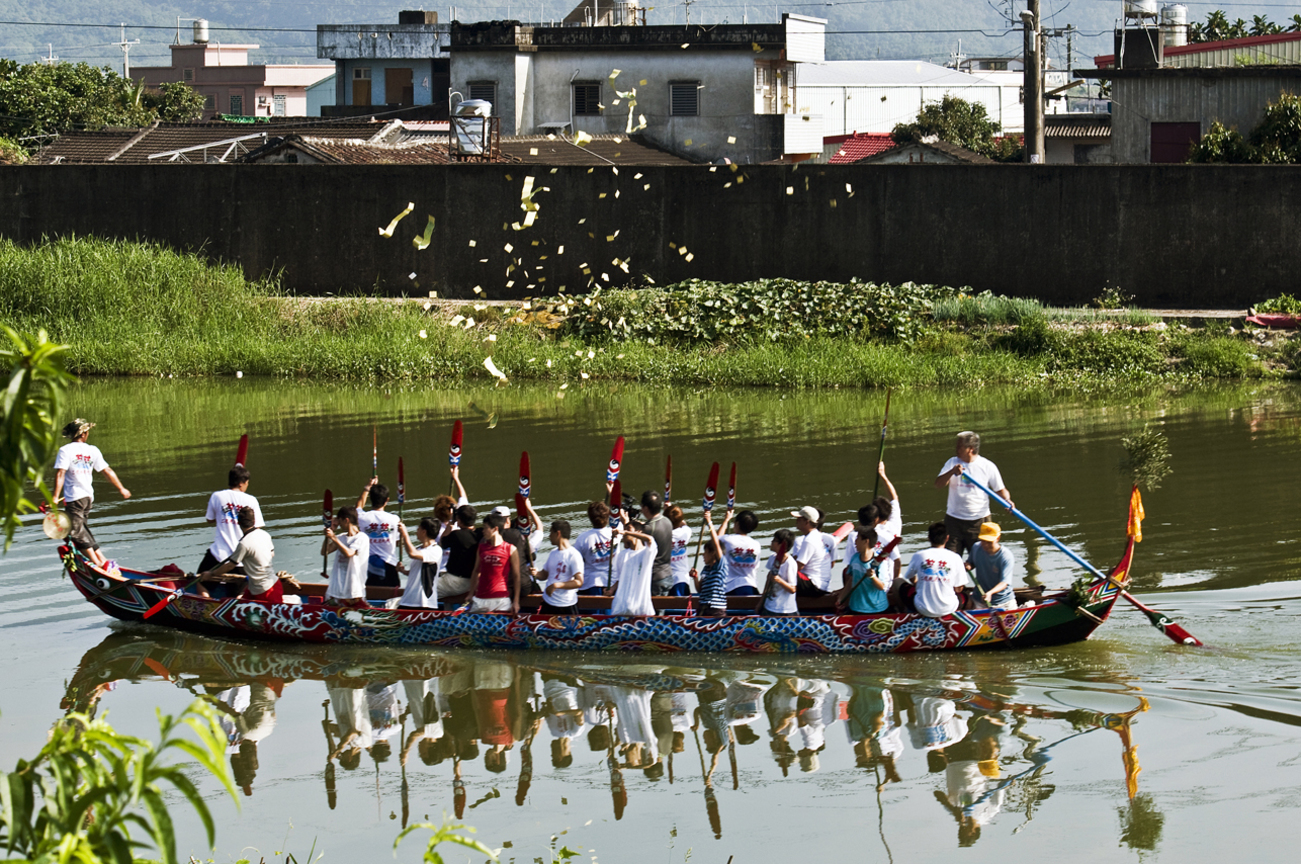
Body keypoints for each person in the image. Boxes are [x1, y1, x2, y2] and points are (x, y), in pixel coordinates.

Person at [52, 419, 130, 567]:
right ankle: (103, 560)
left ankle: (98, 565)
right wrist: (121, 488)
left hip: (75, 498)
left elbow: (60, 474)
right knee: (82, 530)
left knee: (75, 531)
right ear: (84, 434)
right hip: (88, 498)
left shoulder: (65, 451)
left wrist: (55, 496)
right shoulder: (92, 450)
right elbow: (107, 471)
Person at [935, 431, 1014, 556]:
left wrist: (1007, 501)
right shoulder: (951, 462)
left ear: (970, 449)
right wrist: (951, 472)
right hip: (954, 521)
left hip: (979, 521)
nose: (956, 449)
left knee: (981, 560)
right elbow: (938, 484)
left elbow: (1000, 490)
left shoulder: (987, 466)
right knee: (950, 560)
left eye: (960, 446)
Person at [197, 506, 281, 602]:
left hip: (264, 590)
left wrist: (211, 574)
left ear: (238, 522)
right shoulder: (265, 534)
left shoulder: (244, 544)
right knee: (239, 599)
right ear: (254, 521)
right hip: (269, 584)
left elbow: (230, 566)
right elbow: (271, 554)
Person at [199, 464, 264, 577]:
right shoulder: (251, 500)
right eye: (247, 483)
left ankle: (202, 595)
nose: (247, 486)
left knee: (201, 581)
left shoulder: (217, 496)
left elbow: (210, 519)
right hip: (242, 558)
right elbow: (256, 527)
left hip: (218, 555)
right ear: (241, 483)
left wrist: (225, 517)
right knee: (240, 590)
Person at [903, 522, 967, 618]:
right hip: (948, 608)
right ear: (947, 538)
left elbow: (909, 576)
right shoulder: (955, 557)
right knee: (966, 597)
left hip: (922, 608)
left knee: (897, 582)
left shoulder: (919, 555)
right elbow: (959, 588)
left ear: (928, 538)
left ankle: (903, 612)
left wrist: (918, 583)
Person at [465, 511, 521, 614]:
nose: (483, 531)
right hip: (480, 599)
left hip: (501, 600)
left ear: (495, 529)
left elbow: (517, 576)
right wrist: (470, 593)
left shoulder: (510, 549)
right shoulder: (481, 548)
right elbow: (476, 571)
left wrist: (516, 601)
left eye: (485, 527)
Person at [356, 477, 402, 588]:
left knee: (369, 597)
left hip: (368, 565)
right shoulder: (395, 519)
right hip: (389, 565)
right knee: (391, 598)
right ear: (387, 500)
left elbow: (358, 507)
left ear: (370, 499)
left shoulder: (362, 518)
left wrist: (367, 488)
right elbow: (398, 542)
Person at [323, 505, 369, 608]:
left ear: (346, 520)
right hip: (337, 590)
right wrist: (329, 534)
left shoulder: (362, 538)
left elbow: (349, 553)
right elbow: (324, 552)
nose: (338, 524)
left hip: (354, 590)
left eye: (339, 521)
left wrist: (333, 538)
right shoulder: (341, 537)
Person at [835, 528, 890, 615]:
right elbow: (850, 580)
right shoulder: (854, 558)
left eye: (857, 538)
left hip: (877, 608)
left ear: (866, 541)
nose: (855, 542)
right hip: (856, 607)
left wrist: (873, 577)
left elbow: (881, 586)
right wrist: (841, 599)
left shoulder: (879, 561)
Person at [608, 520, 657, 617]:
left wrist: (625, 532)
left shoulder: (647, 552)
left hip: (642, 609)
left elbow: (650, 539)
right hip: (621, 608)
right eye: (624, 530)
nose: (625, 533)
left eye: (628, 529)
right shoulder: (621, 555)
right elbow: (619, 578)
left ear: (639, 532)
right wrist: (611, 590)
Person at [535, 519, 584, 614]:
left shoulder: (574, 555)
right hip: (548, 602)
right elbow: (544, 575)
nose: (549, 536)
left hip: (566, 604)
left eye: (550, 532)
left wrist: (557, 585)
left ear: (558, 533)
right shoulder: (553, 553)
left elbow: (579, 582)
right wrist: (535, 573)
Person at [967, 522, 1017, 611]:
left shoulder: (1006, 556)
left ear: (998, 538)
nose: (985, 545)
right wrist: (968, 566)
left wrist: (990, 593)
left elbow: (1004, 582)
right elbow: (971, 563)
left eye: (989, 542)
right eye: (983, 541)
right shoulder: (976, 547)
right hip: (979, 600)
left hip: (1003, 602)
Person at [396, 517, 443, 610]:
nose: (416, 532)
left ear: (424, 532)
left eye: (418, 529)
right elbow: (416, 572)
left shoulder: (435, 550)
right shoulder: (419, 549)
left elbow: (412, 554)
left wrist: (405, 534)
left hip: (424, 602)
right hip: (409, 599)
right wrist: (403, 571)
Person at [437, 504, 478, 604]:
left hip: (455, 581)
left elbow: (442, 543)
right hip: (473, 581)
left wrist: (451, 522)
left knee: (423, 589)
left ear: (458, 519)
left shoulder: (456, 535)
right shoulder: (481, 534)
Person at [871, 461, 903, 584]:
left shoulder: (870, 531)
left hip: (877, 579)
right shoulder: (894, 523)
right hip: (893, 578)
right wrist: (883, 475)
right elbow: (894, 498)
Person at [691, 510, 727, 617]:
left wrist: (709, 522)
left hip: (715, 609)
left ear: (713, 553)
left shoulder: (720, 566)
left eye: (705, 553)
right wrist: (695, 578)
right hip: (703, 607)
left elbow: (716, 543)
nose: (703, 555)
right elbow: (700, 590)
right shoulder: (706, 569)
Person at [573, 501, 614, 596]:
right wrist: (612, 494)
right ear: (607, 517)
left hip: (589, 583)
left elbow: (575, 561)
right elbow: (619, 516)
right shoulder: (616, 532)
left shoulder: (583, 538)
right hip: (610, 584)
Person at [719, 509, 762, 596]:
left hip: (731, 587)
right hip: (751, 585)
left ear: (737, 524)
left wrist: (726, 520)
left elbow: (716, 540)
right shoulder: (756, 544)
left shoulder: (728, 540)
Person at [639, 490, 675, 595]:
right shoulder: (667, 521)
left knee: (653, 611)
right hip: (668, 573)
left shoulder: (648, 528)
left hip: (655, 577)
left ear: (646, 508)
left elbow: (636, 547)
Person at [790, 506, 829, 597]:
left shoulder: (809, 540)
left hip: (815, 586)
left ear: (806, 522)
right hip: (822, 584)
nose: (796, 521)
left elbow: (798, 566)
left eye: (799, 519)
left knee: (783, 570)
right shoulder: (817, 536)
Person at [761, 528, 799, 616]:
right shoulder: (772, 558)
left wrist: (778, 580)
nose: (771, 542)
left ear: (781, 544)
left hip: (785, 610)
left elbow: (792, 589)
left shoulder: (790, 563)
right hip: (769, 606)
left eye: (774, 540)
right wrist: (761, 603)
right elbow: (768, 581)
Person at [666, 505, 695, 596]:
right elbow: (683, 523)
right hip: (682, 578)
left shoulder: (663, 534)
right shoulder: (686, 532)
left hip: (665, 578)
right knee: (681, 608)